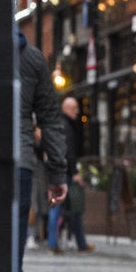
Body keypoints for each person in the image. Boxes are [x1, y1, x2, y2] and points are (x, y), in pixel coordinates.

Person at [16, 32, 67, 272]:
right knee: (12, 260)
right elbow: (49, 117)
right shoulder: (32, 57)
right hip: (17, 163)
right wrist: (57, 173)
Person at [48, 96, 93, 253]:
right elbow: (68, 152)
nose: (77, 112)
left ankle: (80, 243)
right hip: (63, 174)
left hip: (60, 172)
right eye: (74, 108)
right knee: (60, 208)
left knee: (73, 209)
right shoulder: (65, 125)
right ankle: (53, 244)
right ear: (66, 108)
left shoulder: (62, 124)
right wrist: (74, 172)